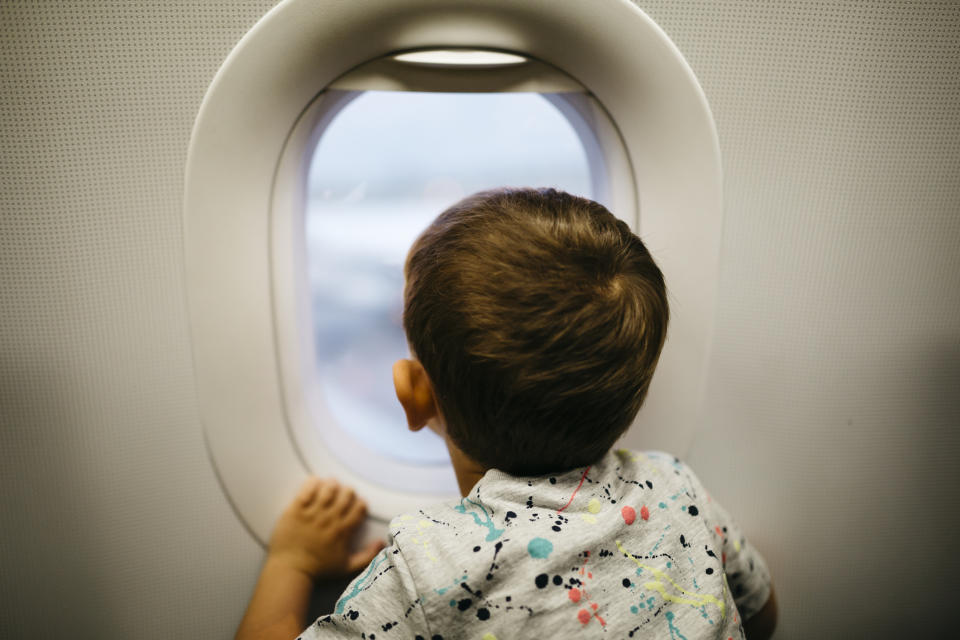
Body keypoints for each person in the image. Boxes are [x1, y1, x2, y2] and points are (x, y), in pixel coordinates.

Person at [236, 188, 778, 640]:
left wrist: (292, 562)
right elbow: (762, 614)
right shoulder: (676, 487)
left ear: (413, 395)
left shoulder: (428, 570)